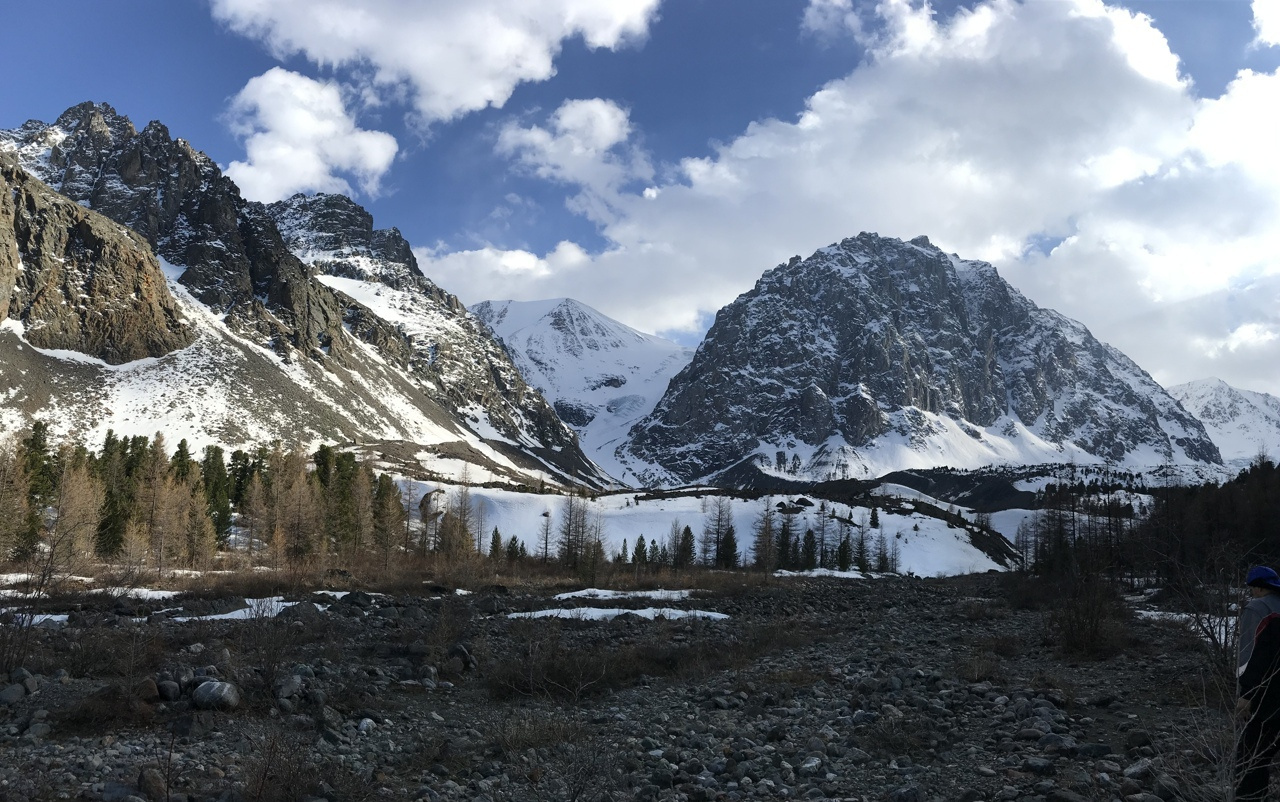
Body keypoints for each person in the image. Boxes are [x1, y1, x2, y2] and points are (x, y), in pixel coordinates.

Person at [1237, 565, 1280, 800]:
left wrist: (1246, 694)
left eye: (1252, 587)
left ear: (1259, 587)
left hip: (1268, 697)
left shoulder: (1258, 608)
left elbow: (1250, 655)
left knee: (1250, 758)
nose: (1252, 592)